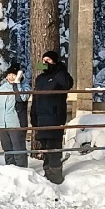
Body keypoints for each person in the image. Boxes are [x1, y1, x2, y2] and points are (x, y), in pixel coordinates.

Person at [30, 50, 74, 185]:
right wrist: (33, 115)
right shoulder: (40, 78)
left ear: (54, 61)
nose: (45, 63)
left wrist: (58, 69)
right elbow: (36, 97)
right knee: (45, 148)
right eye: (44, 60)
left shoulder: (60, 75)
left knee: (53, 147)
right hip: (41, 118)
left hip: (54, 117)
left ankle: (56, 177)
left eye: (48, 60)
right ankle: (47, 174)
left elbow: (67, 84)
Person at [0, 64, 29, 167]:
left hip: (16, 124)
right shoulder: (3, 87)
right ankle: (10, 169)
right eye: (9, 75)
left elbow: (22, 98)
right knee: (7, 150)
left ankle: (21, 170)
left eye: (14, 75)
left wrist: (17, 84)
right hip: (2, 124)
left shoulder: (24, 86)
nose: (11, 77)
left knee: (18, 150)